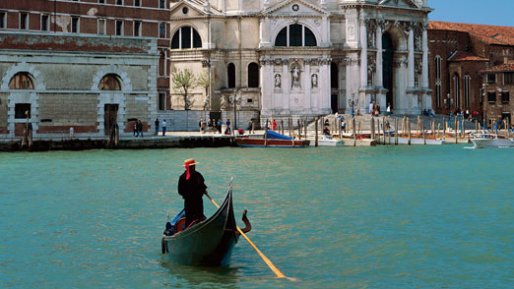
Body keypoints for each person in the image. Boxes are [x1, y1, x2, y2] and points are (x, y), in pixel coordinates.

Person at [178, 159, 207, 227]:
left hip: (190, 201)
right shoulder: (197, 175)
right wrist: (203, 190)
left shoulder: (182, 177)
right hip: (195, 201)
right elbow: (202, 186)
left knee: (191, 218)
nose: (195, 166)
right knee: (197, 217)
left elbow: (180, 191)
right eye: (194, 165)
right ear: (192, 167)